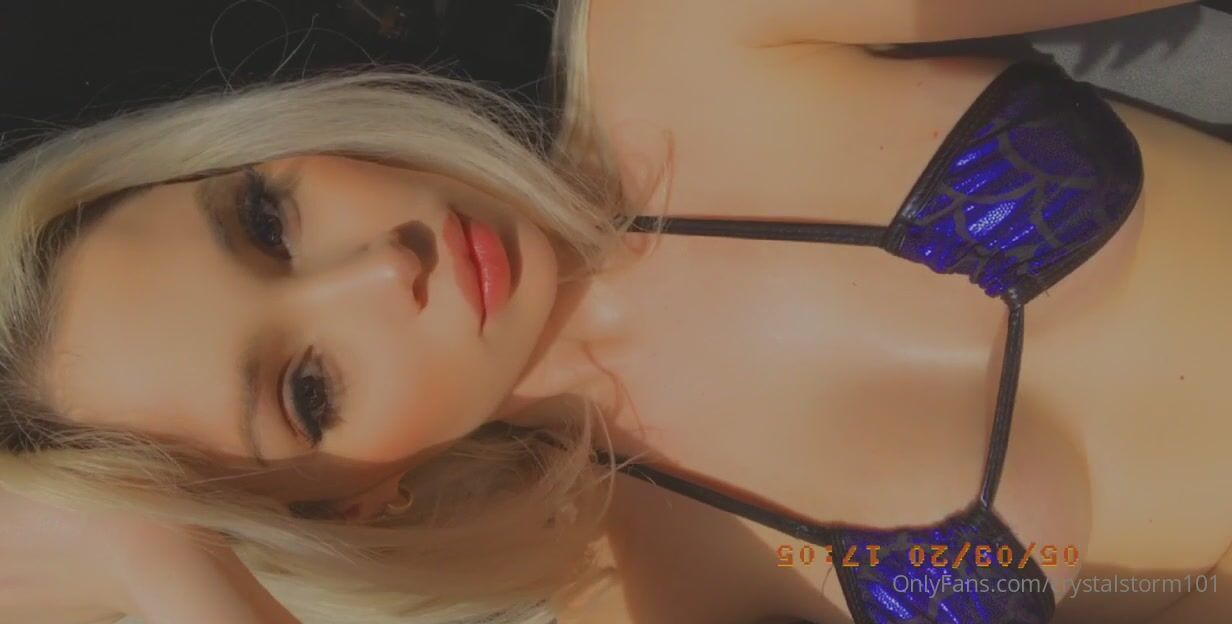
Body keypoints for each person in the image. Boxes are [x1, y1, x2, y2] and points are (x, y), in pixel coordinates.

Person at [0, 1, 1229, 623]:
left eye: (266, 220)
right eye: (306, 390)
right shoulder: (645, 598)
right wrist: (154, 564)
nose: (380, 268)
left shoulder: (676, 31)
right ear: (351, 509)